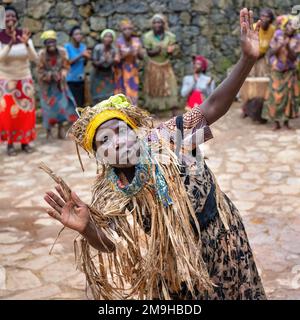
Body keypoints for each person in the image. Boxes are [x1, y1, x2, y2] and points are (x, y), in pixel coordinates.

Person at [44, 9, 266, 300]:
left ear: (134, 130)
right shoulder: (112, 190)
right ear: (100, 157)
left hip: (221, 236)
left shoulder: (168, 137)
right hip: (175, 262)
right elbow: (111, 244)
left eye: (121, 130)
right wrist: (87, 229)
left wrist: (247, 59)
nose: (118, 142)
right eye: (105, 141)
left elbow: (212, 107)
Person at [0, 6, 38, 156]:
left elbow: (34, 58)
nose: (10, 19)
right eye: (7, 16)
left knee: (26, 113)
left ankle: (25, 142)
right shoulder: (0, 37)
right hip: (6, 80)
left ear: (16, 18)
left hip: (25, 80)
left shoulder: (24, 35)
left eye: (13, 16)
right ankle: (9, 144)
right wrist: (10, 44)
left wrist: (27, 43)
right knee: (7, 115)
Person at [38, 30, 77, 140]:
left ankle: (60, 129)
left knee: (62, 108)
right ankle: (48, 131)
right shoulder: (41, 54)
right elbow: (40, 71)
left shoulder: (62, 52)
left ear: (56, 42)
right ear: (45, 44)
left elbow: (66, 66)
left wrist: (62, 74)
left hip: (60, 85)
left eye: (53, 42)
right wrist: (50, 75)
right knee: (48, 109)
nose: (51, 44)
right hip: (47, 87)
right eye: (48, 42)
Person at [263, 15, 300, 130]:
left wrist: (288, 46)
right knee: (274, 96)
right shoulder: (278, 34)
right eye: (289, 25)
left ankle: (286, 122)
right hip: (276, 69)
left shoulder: (298, 38)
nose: (290, 28)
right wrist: (281, 45)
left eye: (293, 27)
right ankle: (276, 122)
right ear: (285, 25)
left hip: (289, 70)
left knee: (289, 97)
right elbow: (271, 52)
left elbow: (294, 58)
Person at [242, 8, 275, 122]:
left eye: (267, 16)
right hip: (251, 59)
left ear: (271, 19)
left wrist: (270, 60)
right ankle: (245, 108)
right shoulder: (255, 27)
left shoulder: (272, 30)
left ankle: (257, 112)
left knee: (261, 85)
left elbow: (272, 46)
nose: (264, 18)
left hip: (262, 59)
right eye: (262, 16)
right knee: (248, 83)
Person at [143, 14, 179, 114]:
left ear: (163, 24)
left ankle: (173, 109)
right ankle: (154, 111)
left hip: (165, 65)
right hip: (153, 65)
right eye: (154, 22)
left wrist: (171, 50)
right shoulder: (148, 37)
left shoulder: (170, 36)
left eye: (159, 22)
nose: (157, 25)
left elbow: (174, 52)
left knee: (171, 86)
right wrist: (157, 50)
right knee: (154, 88)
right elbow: (149, 52)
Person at [114, 19, 144, 106]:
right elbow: (116, 59)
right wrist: (127, 54)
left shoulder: (136, 41)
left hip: (132, 70)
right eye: (125, 29)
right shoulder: (118, 41)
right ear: (121, 30)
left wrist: (138, 52)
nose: (127, 31)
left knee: (132, 91)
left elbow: (141, 56)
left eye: (129, 29)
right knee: (121, 92)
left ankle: (133, 114)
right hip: (121, 70)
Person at [64, 26, 91, 107]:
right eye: (76, 34)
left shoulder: (83, 47)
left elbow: (84, 63)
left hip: (81, 79)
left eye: (80, 34)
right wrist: (81, 55)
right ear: (72, 36)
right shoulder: (67, 47)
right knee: (72, 104)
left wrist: (87, 58)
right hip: (70, 79)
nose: (79, 36)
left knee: (81, 103)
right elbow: (67, 62)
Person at [90, 29, 118, 105]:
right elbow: (94, 63)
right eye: (106, 36)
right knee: (97, 98)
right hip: (97, 76)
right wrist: (102, 61)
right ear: (102, 38)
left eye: (110, 37)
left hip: (108, 76)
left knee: (109, 98)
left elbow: (115, 63)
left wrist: (112, 61)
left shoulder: (113, 50)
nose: (108, 39)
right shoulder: (98, 48)